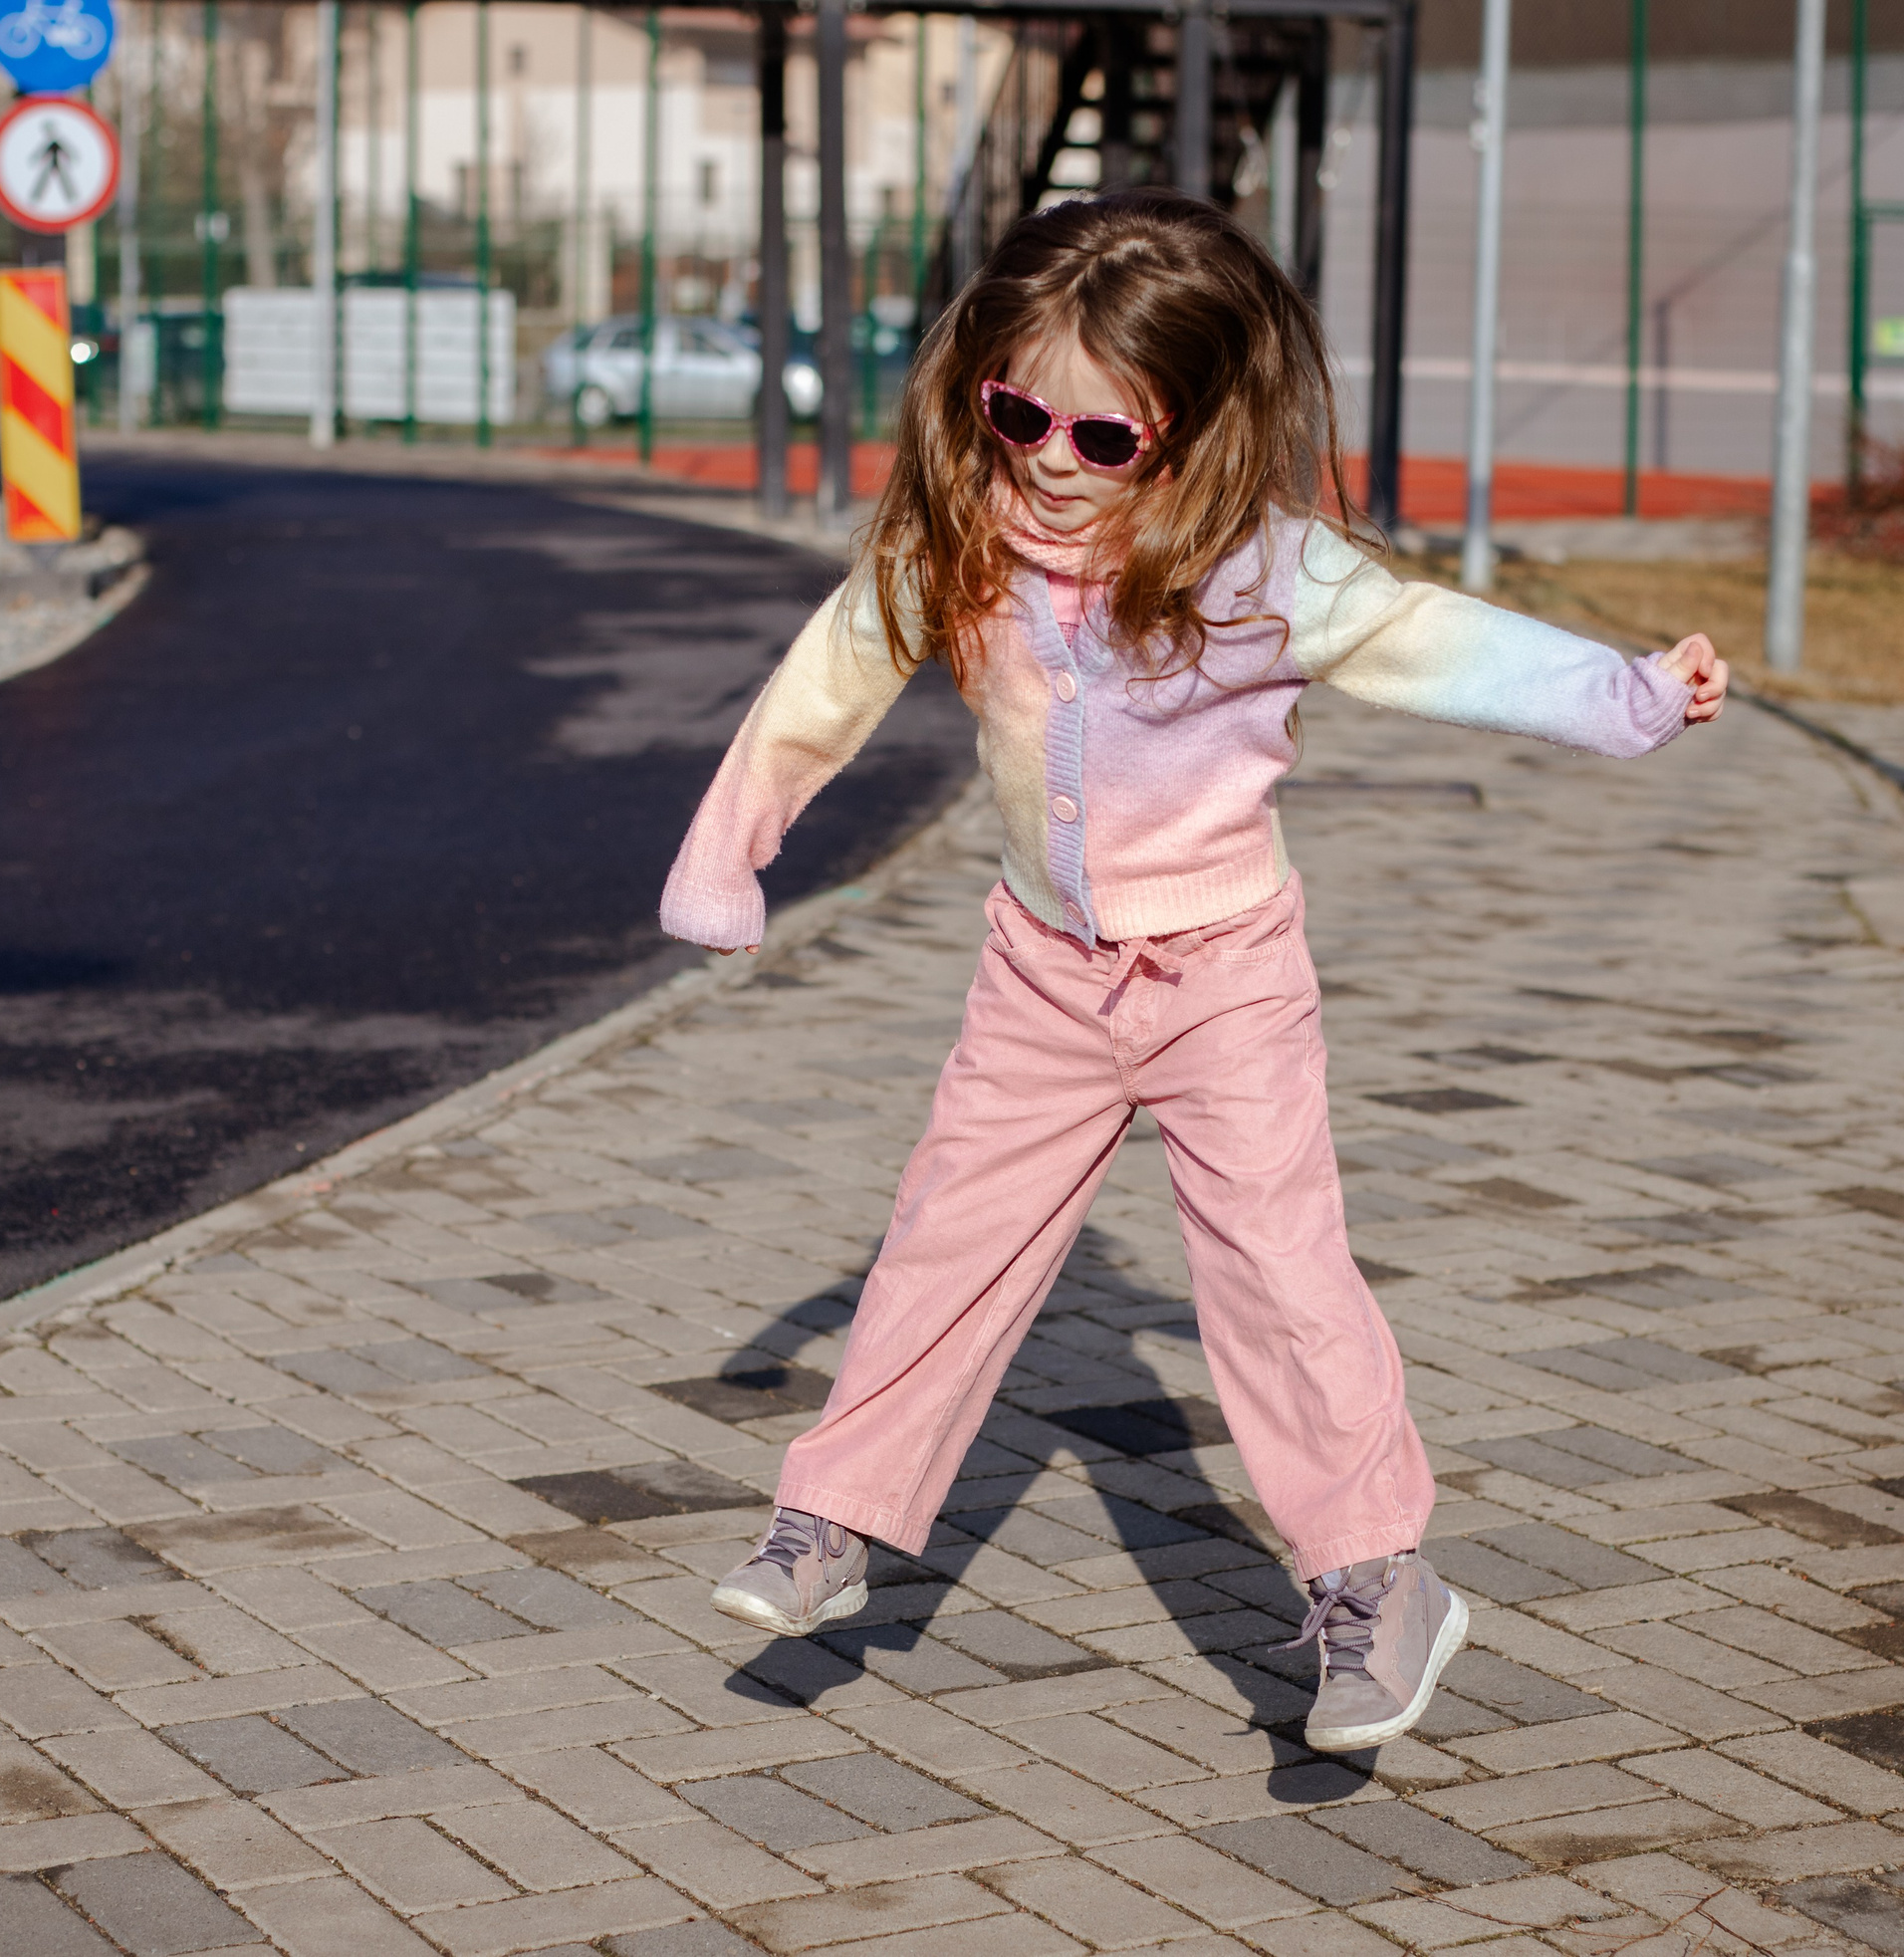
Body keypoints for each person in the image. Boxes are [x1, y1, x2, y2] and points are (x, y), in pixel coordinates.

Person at [657, 189, 1727, 1754]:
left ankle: (1379, 1582)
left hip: (1225, 973)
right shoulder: (964, 541)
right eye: (1014, 410)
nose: (1043, 459)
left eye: (1101, 440)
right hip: (1040, 970)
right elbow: (832, 673)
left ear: (1193, 430)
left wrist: (1629, 694)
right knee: (942, 1245)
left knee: (1281, 1281)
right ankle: (831, 1518)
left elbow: (1448, 641)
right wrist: (727, 850)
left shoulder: (1264, 570)